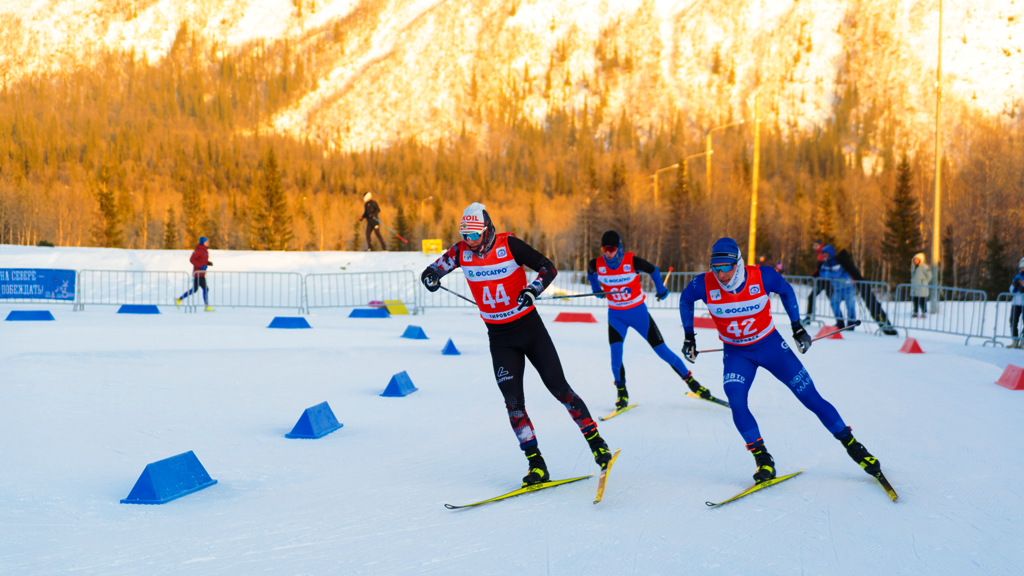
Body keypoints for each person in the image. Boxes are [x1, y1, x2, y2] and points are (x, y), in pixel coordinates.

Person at [420, 203, 612, 487]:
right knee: (513, 403)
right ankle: (536, 464)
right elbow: (434, 269)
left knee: (560, 388)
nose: (470, 242)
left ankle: (597, 443)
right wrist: (430, 277)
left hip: (529, 330)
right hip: (499, 339)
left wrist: (532, 289)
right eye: (465, 235)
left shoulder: (509, 244)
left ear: (487, 230)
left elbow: (548, 267)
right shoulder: (460, 252)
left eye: (474, 235)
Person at [678, 237, 884, 485]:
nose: (720, 274)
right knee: (736, 401)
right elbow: (685, 299)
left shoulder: (762, 276)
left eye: (725, 268)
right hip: (737, 354)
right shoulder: (703, 283)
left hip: (771, 347)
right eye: (715, 268)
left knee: (810, 397)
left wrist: (797, 328)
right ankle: (763, 458)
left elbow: (786, 291)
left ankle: (854, 447)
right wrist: (689, 336)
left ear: (738, 263)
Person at [586, 230, 717, 409]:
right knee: (615, 355)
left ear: (619, 247)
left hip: (638, 313)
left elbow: (654, 270)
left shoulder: (632, 261)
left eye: (612, 248)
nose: (608, 252)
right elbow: (591, 274)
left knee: (662, 351)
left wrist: (661, 290)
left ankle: (694, 384)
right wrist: (596, 290)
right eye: (605, 249)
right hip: (616, 316)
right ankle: (622, 393)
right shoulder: (596, 264)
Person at [819, 245, 856, 329]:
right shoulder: (825, 263)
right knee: (834, 303)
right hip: (837, 288)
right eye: (823, 253)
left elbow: (837, 274)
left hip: (847, 286)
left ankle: (851, 323)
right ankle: (840, 322)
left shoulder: (837, 261)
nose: (824, 255)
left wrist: (828, 274)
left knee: (850, 305)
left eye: (825, 253)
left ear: (830, 253)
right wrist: (829, 275)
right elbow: (821, 273)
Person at [176, 236, 214, 311]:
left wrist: (208, 263)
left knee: (195, 289)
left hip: (202, 274)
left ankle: (179, 299)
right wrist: (201, 266)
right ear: (202, 243)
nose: (207, 243)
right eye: (206, 242)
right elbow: (192, 260)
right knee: (205, 289)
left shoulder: (205, 251)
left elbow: (202, 260)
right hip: (198, 274)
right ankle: (206, 306)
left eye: (208, 242)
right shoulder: (199, 250)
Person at [803, 239, 831, 324]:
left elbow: (819, 270)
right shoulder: (820, 254)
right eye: (814, 246)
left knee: (833, 300)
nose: (814, 247)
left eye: (816, 245)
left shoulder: (822, 254)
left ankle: (840, 321)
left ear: (821, 245)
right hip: (821, 281)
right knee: (811, 297)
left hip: (825, 281)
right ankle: (808, 317)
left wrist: (809, 278)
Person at [1008, 258, 1024, 349]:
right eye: (1022, 267)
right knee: (1013, 321)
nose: (1023, 269)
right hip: (1016, 303)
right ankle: (1015, 340)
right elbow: (1011, 290)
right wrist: (1015, 286)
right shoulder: (1017, 277)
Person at [910, 253, 931, 319]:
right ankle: (915, 312)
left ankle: (924, 313)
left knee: (922, 300)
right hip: (915, 287)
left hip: (922, 287)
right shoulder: (913, 267)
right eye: (915, 259)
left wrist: (924, 282)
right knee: (915, 300)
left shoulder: (924, 267)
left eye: (917, 259)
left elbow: (929, 275)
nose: (915, 261)